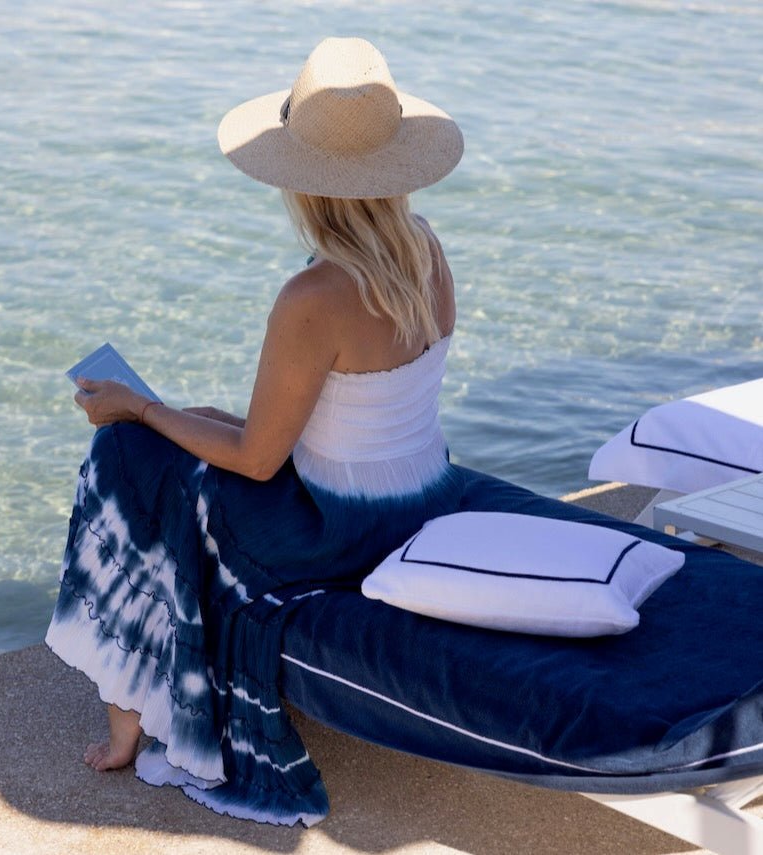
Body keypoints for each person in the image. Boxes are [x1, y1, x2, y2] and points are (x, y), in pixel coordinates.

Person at [46, 36, 464, 826]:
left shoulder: (314, 294)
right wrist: (185, 415)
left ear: (303, 182)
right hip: (414, 506)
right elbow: (350, 426)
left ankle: (128, 706)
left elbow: (260, 458)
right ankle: (134, 688)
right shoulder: (426, 254)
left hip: (330, 535)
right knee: (176, 430)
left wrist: (140, 412)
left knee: (122, 455)